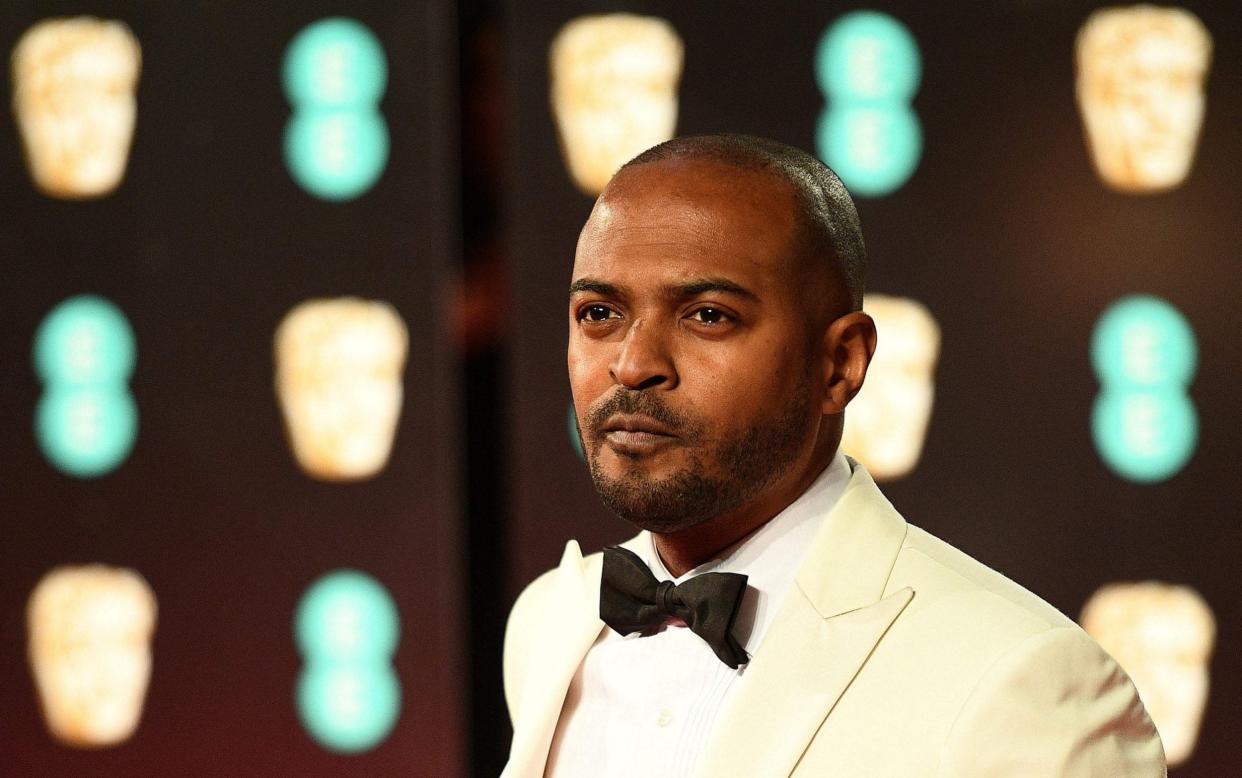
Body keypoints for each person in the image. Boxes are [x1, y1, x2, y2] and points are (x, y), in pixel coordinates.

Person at [501, 133, 1165, 777]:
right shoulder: (551, 624)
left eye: (708, 315)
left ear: (840, 363)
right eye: (598, 313)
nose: (633, 363)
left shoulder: (1024, 683)